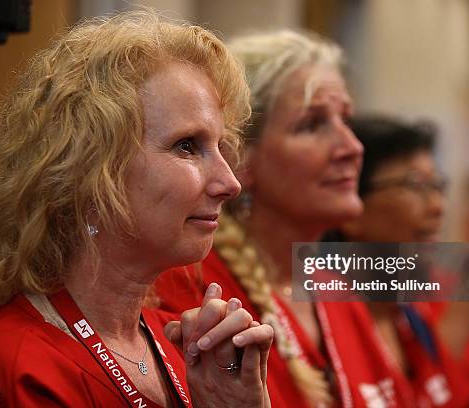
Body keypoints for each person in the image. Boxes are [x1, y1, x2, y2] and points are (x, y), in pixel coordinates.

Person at [0, 12, 274, 407]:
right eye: (187, 146)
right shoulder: (4, 367)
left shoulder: (193, 353)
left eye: (220, 147)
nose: (229, 183)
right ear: (90, 170)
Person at [155, 30, 364, 408]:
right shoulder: (192, 289)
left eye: (346, 120)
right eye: (312, 124)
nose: (352, 147)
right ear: (241, 158)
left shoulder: (337, 285)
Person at [323, 115, 469, 407]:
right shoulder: (324, 321)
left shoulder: (412, 307)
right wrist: (460, 324)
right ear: (352, 206)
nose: (438, 206)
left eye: (437, 186)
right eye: (415, 186)